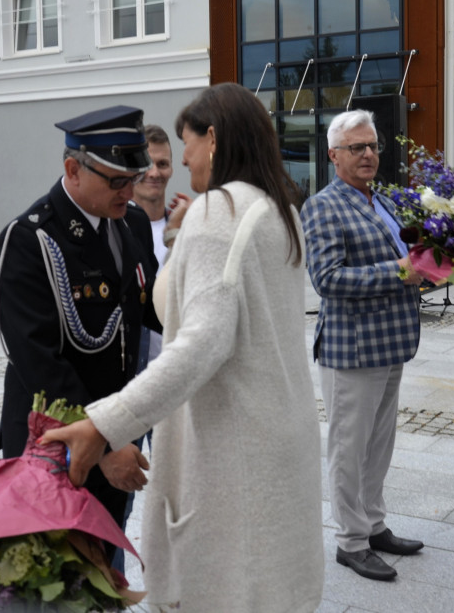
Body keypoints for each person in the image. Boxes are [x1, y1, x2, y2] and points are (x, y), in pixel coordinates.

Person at [42, 85, 324, 612]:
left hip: (230, 448)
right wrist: (178, 240)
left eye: (186, 143)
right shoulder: (276, 207)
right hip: (276, 437)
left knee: (222, 593)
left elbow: (202, 342)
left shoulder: (219, 210)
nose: (183, 158)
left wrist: (107, 422)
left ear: (213, 139)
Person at [0, 105, 161, 558]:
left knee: (107, 543)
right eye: (117, 180)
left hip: (116, 427)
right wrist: (103, 441)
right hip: (57, 436)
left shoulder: (132, 222)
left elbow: (152, 307)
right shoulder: (29, 239)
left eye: (134, 177)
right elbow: (35, 357)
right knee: (58, 564)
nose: (131, 190)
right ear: (73, 169)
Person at [300, 109, 424, 582]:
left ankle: (373, 525)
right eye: (357, 147)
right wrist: (399, 272)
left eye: (373, 145)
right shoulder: (323, 206)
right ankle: (350, 542)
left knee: (379, 444)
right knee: (349, 450)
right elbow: (327, 279)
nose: (369, 154)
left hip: (392, 341)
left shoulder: (383, 200)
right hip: (352, 349)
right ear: (334, 155)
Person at [130, 123, 176, 373]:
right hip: (129, 377)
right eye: (147, 164)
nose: (154, 173)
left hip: (174, 372)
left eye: (162, 164)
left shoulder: (187, 229)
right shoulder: (115, 231)